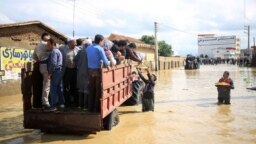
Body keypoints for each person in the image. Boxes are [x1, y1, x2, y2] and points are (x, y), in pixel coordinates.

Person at [86, 34, 109, 112]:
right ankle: (96, 108)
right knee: (97, 90)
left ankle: (90, 108)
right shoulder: (100, 49)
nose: (103, 43)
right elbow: (105, 61)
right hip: (97, 71)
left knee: (91, 89)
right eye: (103, 41)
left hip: (90, 71)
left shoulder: (88, 48)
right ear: (100, 41)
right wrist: (108, 65)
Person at [59, 39, 80, 107]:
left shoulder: (77, 49)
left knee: (75, 86)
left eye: (76, 43)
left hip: (75, 70)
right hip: (66, 70)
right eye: (74, 43)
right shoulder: (62, 48)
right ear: (69, 43)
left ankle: (74, 102)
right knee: (66, 86)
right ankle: (67, 102)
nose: (75, 44)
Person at [32, 32, 51, 109]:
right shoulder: (45, 44)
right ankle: (45, 103)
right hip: (46, 66)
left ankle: (43, 102)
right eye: (49, 38)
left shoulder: (37, 46)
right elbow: (53, 49)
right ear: (45, 37)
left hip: (41, 66)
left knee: (45, 84)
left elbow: (34, 56)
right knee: (47, 85)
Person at [47, 38, 65, 111]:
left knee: (53, 89)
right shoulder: (58, 51)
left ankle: (53, 106)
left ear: (52, 44)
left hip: (55, 72)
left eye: (48, 45)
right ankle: (61, 104)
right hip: (59, 71)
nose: (47, 46)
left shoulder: (54, 52)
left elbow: (53, 63)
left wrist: (50, 73)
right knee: (58, 88)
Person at [74, 38, 92, 110]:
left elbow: (75, 59)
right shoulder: (90, 52)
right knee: (86, 90)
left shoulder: (80, 51)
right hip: (87, 73)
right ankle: (85, 106)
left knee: (80, 89)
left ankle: (79, 105)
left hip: (80, 72)